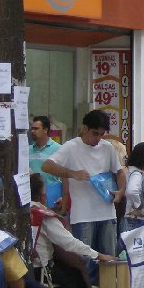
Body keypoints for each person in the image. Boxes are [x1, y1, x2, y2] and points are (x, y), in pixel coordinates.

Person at [42, 110, 126, 258]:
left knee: (109, 261)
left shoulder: (107, 148)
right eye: (95, 133)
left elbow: (119, 172)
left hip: (107, 213)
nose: (98, 138)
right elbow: (47, 166)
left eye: (101, 134)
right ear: (85, 128)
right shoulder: (71, 147)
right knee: (85, 261)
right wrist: (73, 174)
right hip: (83, 216)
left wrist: (121, 191)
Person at [29, 173, 113, 288]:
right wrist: (98, 255)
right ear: (43, 195)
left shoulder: (21, 212)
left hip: (27, 267)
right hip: (41, 269)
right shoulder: (42, 215)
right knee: (77, 278)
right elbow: (69, 242)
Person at [122, 142, 144, 232]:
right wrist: (138, 206)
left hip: (141, 219)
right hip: (137, 220)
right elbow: (131, 191)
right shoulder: (137, 174)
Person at [29, 116, 61, 184]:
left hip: (52, 191)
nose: (32, 131)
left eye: (36, 129)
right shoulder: (28, 150)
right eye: (32, 128)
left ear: (45, 130)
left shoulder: (58, 149)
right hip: (34, 192)